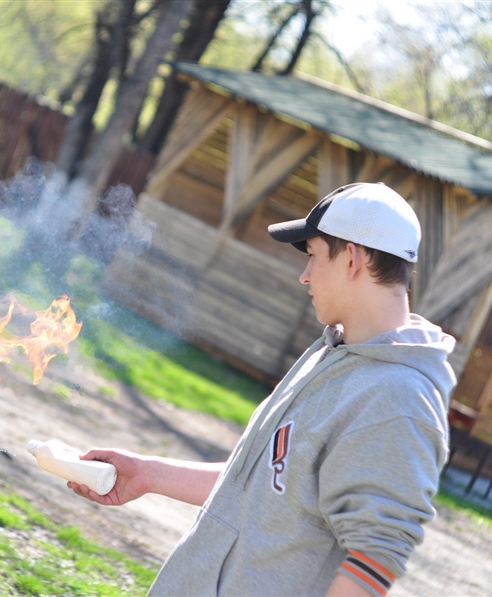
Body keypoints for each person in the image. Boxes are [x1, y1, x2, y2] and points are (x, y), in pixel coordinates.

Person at [68, 183, 457, 597]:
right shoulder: (334, 352)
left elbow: (376, 556)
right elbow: (266, 488)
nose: (304, 275)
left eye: (312, 255)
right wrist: (147, 474)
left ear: (352, 258)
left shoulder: (399, 397)